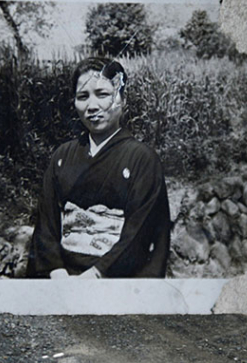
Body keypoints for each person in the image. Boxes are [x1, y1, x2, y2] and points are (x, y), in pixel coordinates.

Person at [28, 57, 171, 278]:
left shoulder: (142, 159)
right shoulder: (62, 157)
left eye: (103, 94)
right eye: (82, 96)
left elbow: (140, 233)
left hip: (116, 278)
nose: (92, 106)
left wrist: (97, 273)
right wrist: (56, 271)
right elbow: (46, 224)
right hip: (61, 277)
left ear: (122, 99)